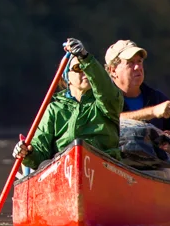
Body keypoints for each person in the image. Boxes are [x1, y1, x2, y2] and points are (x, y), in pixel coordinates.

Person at [12, 37, 123, 174]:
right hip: (63, 171)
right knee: (45, 164)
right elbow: (39, 155)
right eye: (77, 68)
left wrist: (85, 57)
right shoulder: (54, 110)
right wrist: (26, 153)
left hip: (105, 169)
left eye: (85, 67)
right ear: (67, 77)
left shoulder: (106, 102)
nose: (84, 71)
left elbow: (106, 89)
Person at [105, 38, 170, 157]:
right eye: (130, 62)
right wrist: (153, 111)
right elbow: (111, 120)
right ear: (113, 70)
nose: (137, 67)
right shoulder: (102, 99)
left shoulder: (157, 98)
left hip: (155, 170)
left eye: (139, 61)